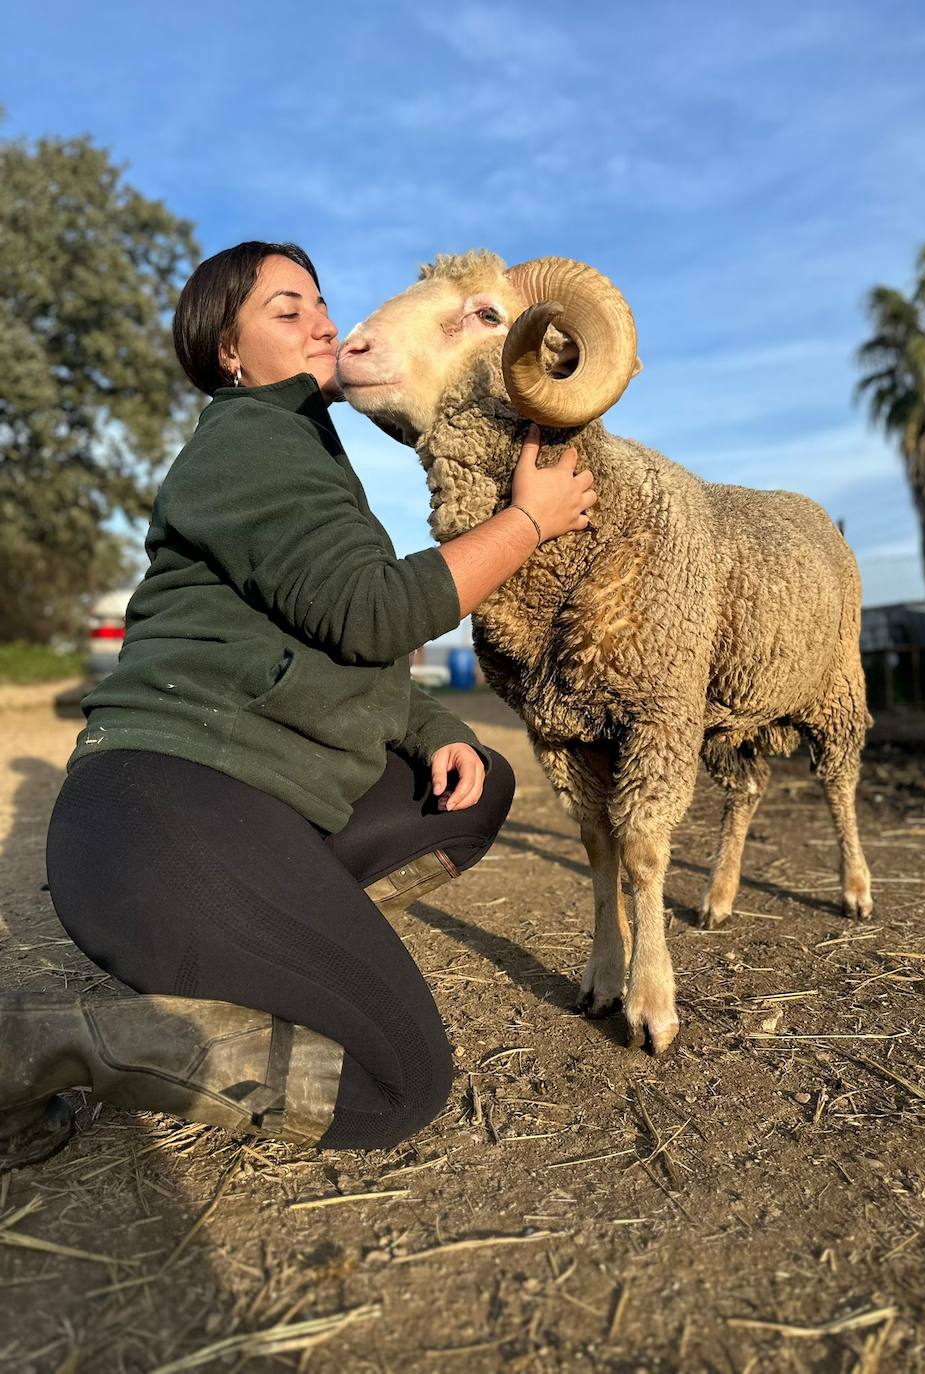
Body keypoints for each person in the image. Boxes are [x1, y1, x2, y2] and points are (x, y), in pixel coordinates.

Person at [0, 241, 597, 1171]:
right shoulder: (247, 442)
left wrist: (435, 727)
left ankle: (271, 962)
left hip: (230, 811)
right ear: (228, 354)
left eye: (319, 301)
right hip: (162, 817)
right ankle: (48, 1046)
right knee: (398, 1083)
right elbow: (376, 614)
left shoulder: (306, 449)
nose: (323, 321)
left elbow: (330, 643)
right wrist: (525, 522)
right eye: (286, 310)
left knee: (472, 790)